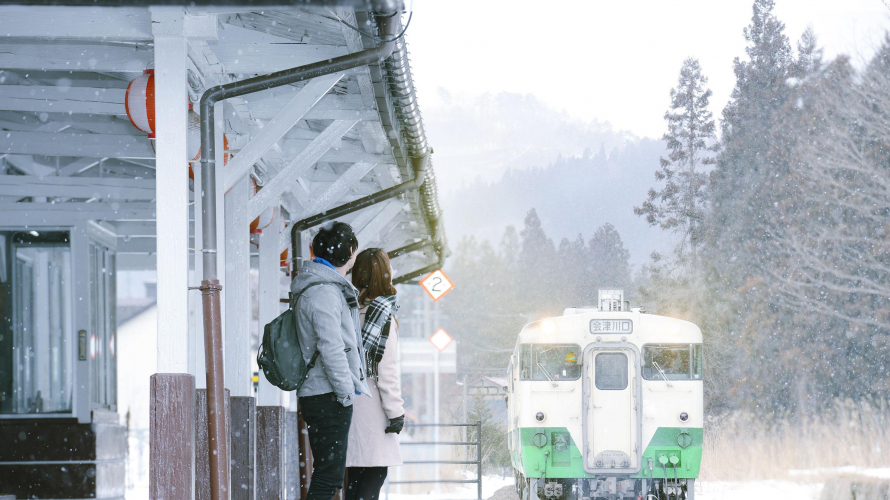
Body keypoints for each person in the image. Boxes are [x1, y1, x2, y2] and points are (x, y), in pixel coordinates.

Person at [290, 221, 370, 500]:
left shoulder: (316, 285)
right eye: (354, 252)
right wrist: (346, 393)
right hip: (327, 395)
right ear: (348, 251)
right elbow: (332, 348)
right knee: (328, 476)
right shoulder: (323, 291)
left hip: (321, 393)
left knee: (328, 474)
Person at [345, 248, 405, 500]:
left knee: (356, 477)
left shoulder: (347, 309)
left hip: (347, 401)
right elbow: (385, 370)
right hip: (372, 407)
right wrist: (395, 411)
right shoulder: (382, 315)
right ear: (385, 274)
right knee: (374, 475)